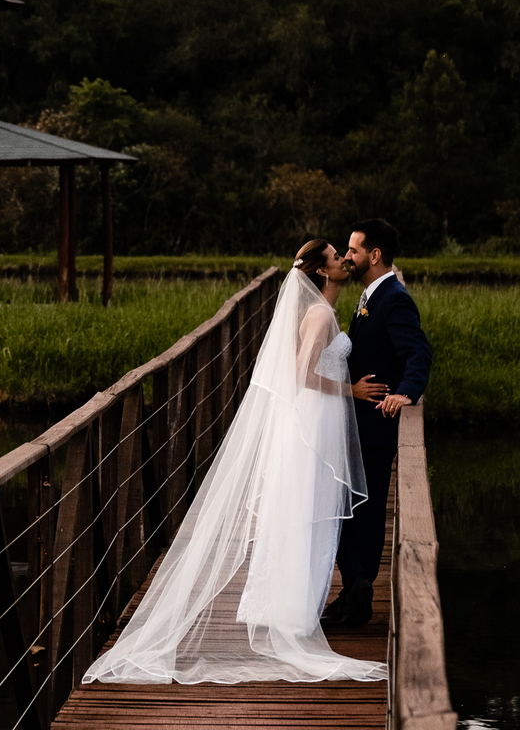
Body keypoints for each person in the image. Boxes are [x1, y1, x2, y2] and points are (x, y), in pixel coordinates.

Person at [82, 240, 387, 685]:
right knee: (307, 512)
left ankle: (288, 603)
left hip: (314, 422)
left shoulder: (321, 308)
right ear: (322, 271)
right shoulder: (320, 315)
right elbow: (301, 375)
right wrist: (351, 392)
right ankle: (292, 609)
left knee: (305, 513)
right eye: (336, 256)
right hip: (312, 424)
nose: (344, 259)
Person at [321, 219, 432, 628]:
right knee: (351, 510)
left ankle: (354, 590)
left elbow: (418, 350)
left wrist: (406, 392)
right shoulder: (372, 296)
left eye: (352, 250)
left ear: (375, 255)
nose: (347, 257)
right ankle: (355, 591)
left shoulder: (394, 299)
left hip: (374, 428)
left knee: (353, 511)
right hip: (356, 426)